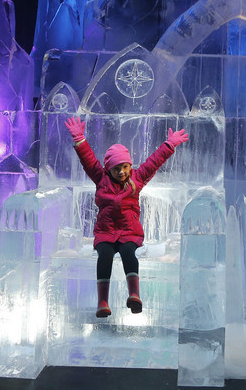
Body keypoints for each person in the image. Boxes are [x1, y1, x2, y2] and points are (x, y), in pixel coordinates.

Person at [65, 116, 189, 317]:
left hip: (129, 232)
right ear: (108, 169)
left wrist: (169, 144)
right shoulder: (101, 178)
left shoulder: (136, 178)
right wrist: (79, 139)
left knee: (128, 254)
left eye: (125, 167)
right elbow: (87, 159)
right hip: (106, 233)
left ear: (130, 166)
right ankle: (102, 301)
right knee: (104, 256)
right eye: (116, 169)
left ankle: (134, 295)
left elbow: (154, 162)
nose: (121, 172)